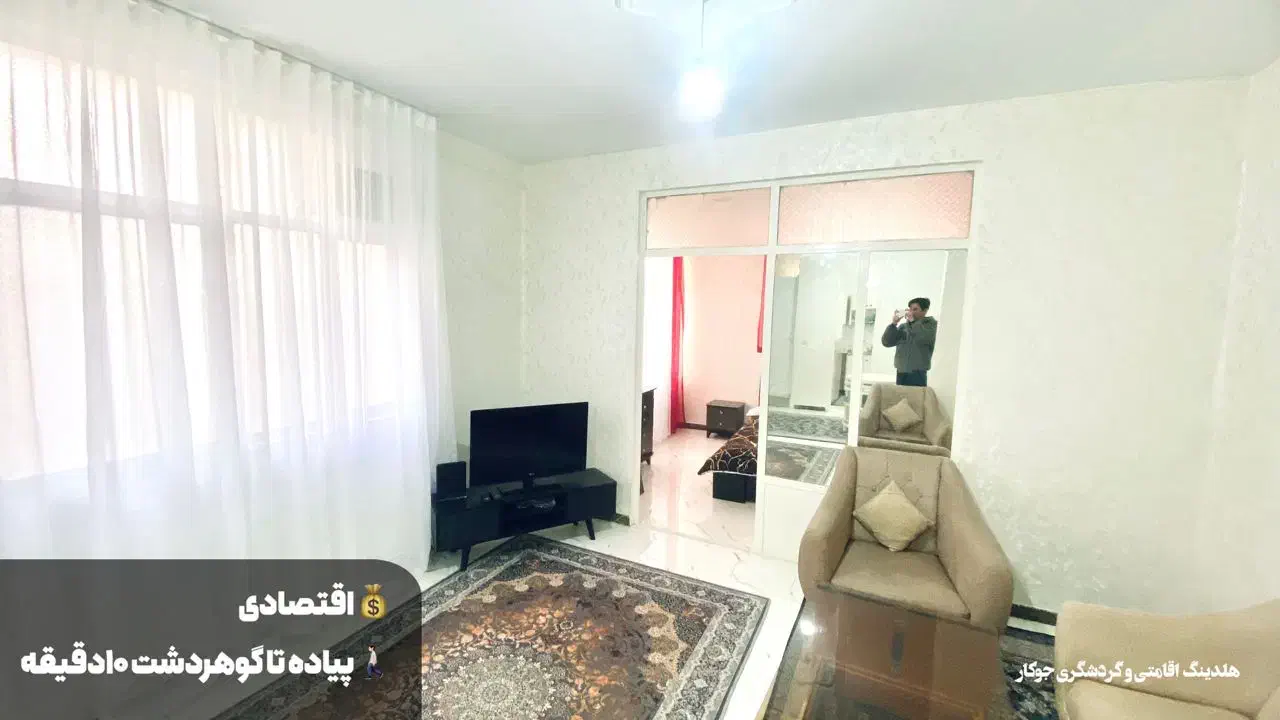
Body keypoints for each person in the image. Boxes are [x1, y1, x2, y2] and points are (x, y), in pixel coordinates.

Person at [881, 297, 937, 387]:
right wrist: (894, 324)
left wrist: (912, 321)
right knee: (901, 395)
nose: (911, 312)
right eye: (910, 309)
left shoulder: (931, 325)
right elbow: (886, 342)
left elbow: (921, 337)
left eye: (915, 309)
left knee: (916, 396)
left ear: (925, 310)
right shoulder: (903, 327)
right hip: (901, 371)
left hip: (918, 372)